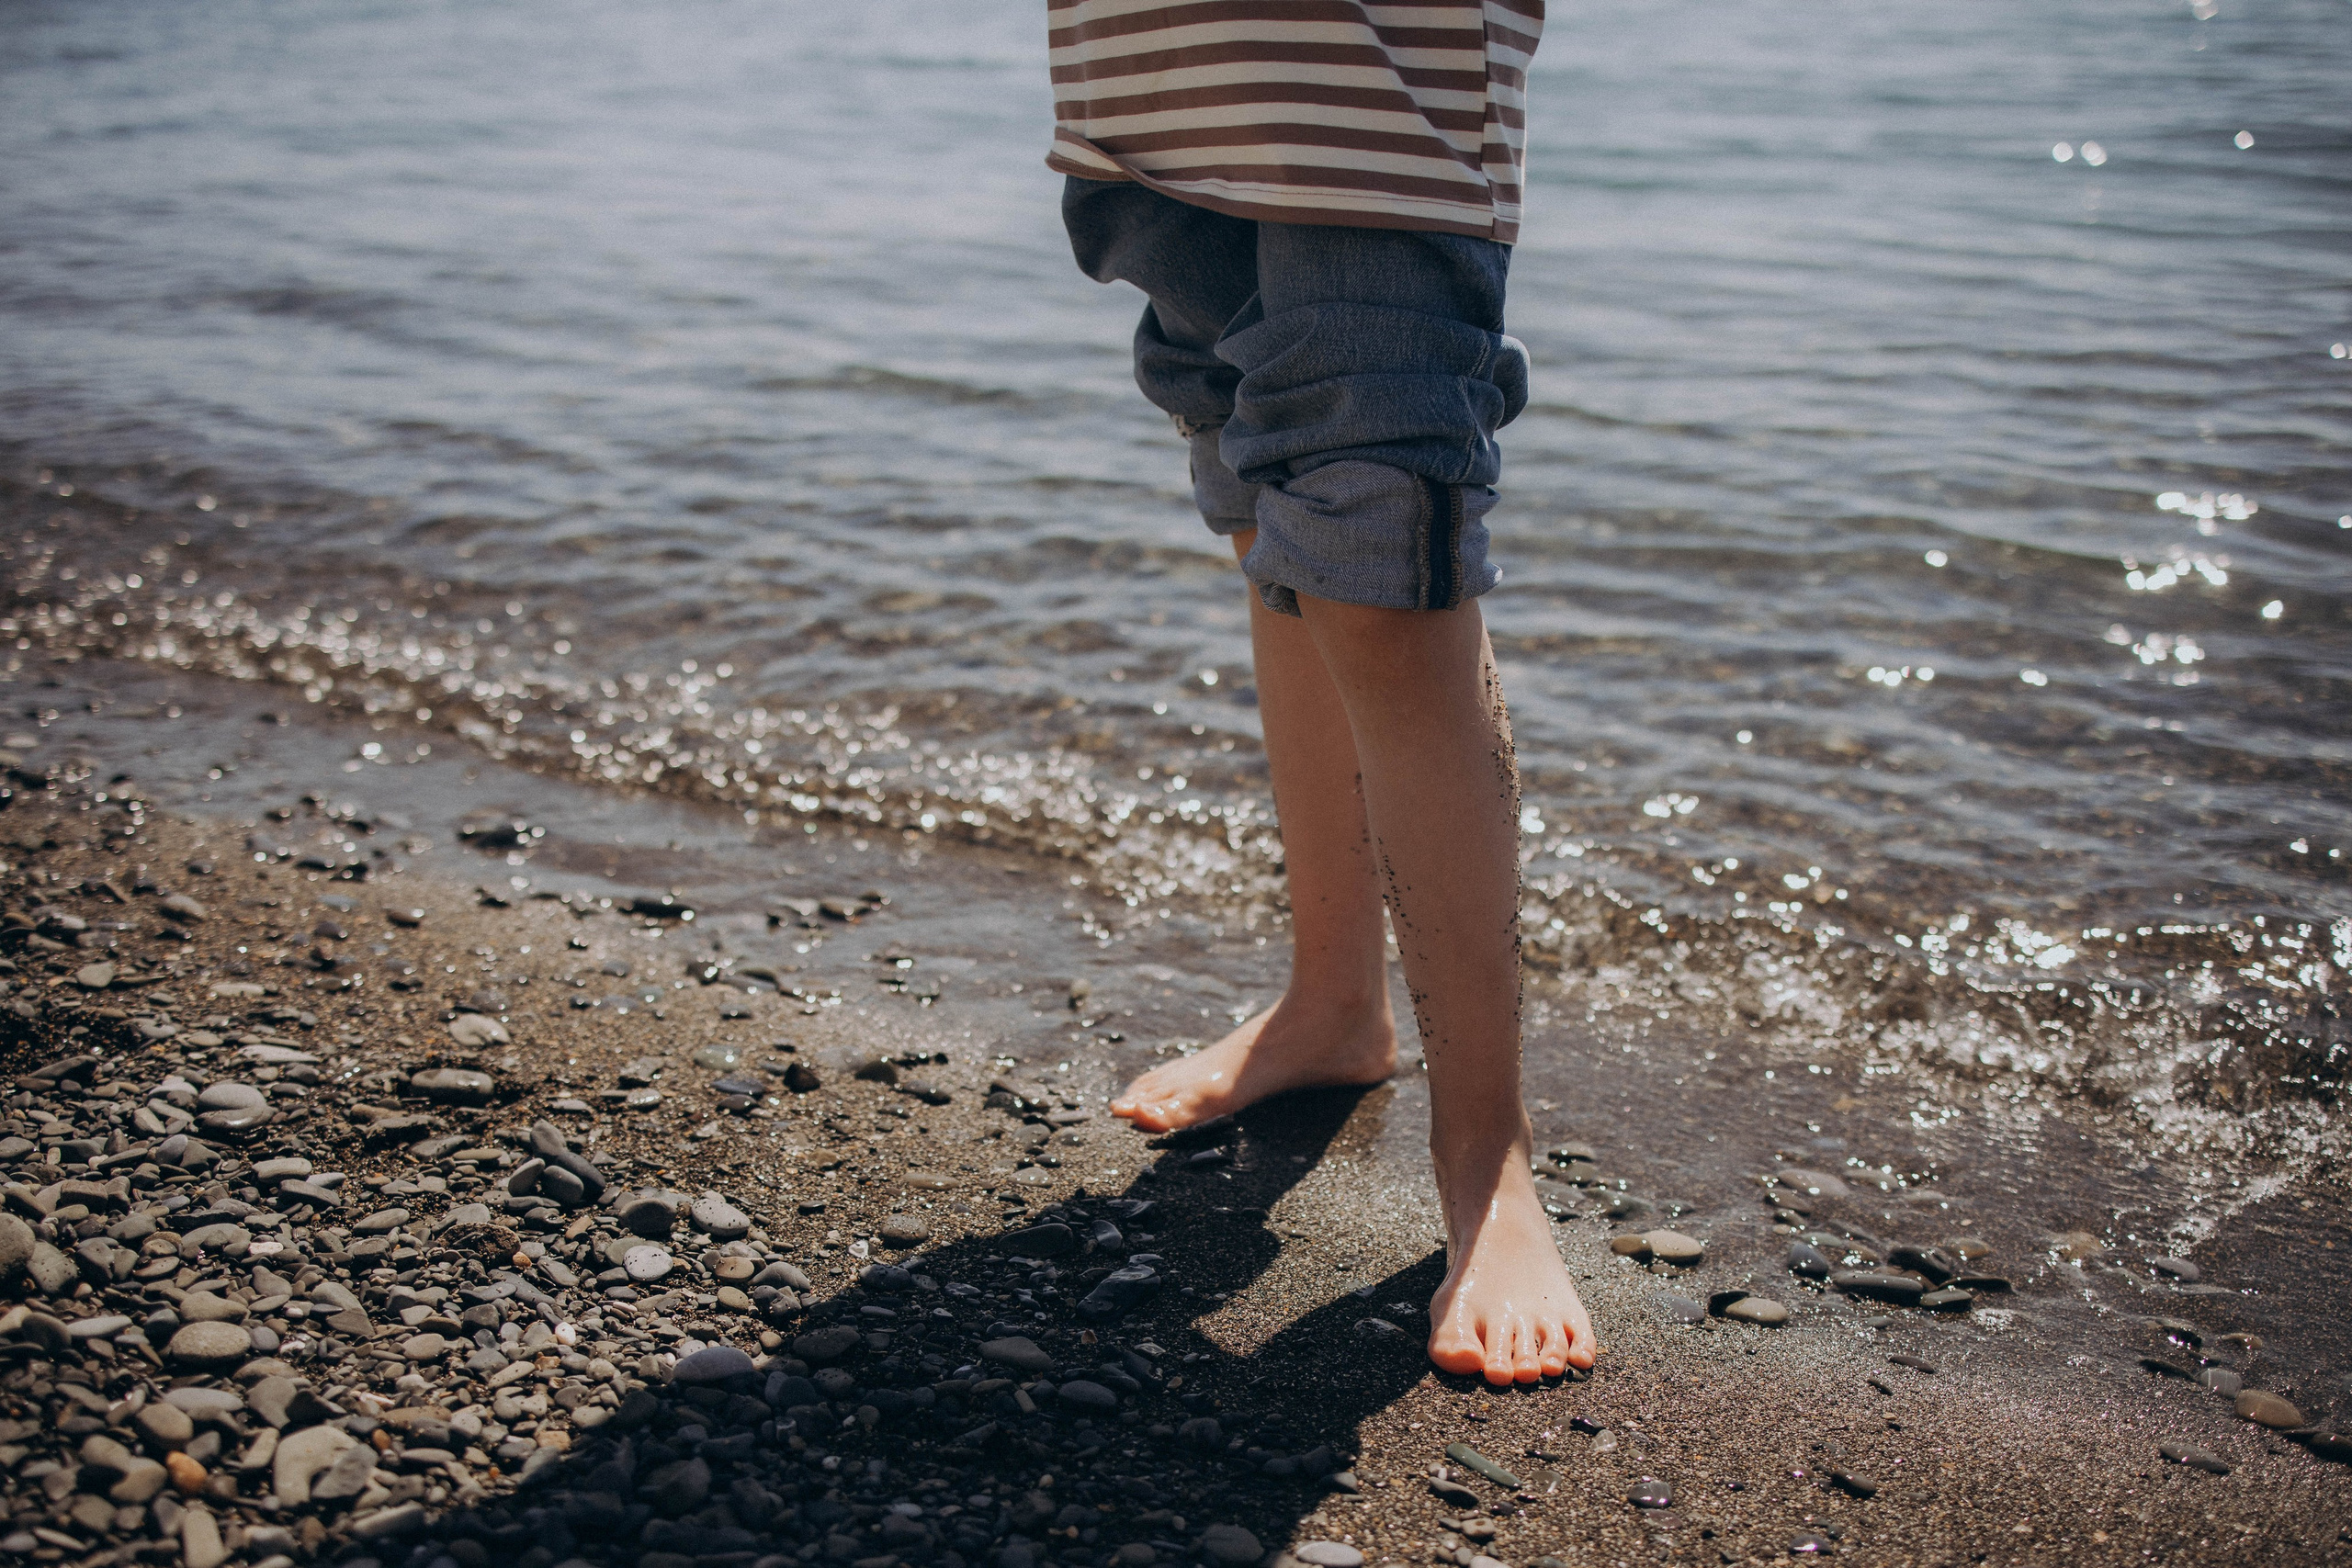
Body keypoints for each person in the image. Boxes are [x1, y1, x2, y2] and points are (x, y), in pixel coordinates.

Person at [1046, 0, 1596, 1386]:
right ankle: (1334, 1002)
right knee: (1270, 514)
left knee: (1379, 561)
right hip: (1157, 58)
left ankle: (1489, 1157)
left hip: (1371, 75)